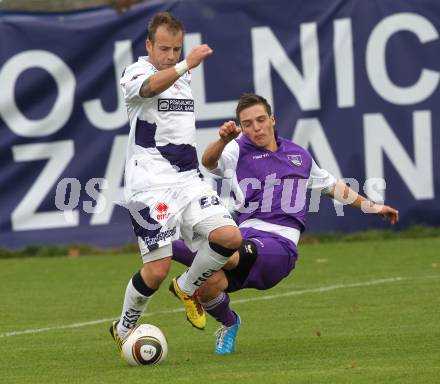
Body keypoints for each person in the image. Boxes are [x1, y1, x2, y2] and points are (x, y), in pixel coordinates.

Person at [171, 93, 400, 354]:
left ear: (272, 119)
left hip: (279, 247)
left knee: (215, 253)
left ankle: (184, 284)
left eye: (260, 120)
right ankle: (229, 322)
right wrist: (223, 141)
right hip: (243, 235)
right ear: (241, 127)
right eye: (247, 124)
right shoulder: (236, 148)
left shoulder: (298, 155)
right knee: (200, 276)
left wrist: (373, 207)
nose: (255, 128)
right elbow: (209, 162)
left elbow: (332, 186)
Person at [109, 12, 242, 351]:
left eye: (176, 50)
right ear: (149, 45)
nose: (170, 55)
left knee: (229, 237)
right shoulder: (136, 72)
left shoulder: (182, 78)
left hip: (188, 179)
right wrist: (185, 65)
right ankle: (125, 327)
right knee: (156, 270)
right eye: (164, 49)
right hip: (150, 186)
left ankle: (186, 287)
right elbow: (151, 87)